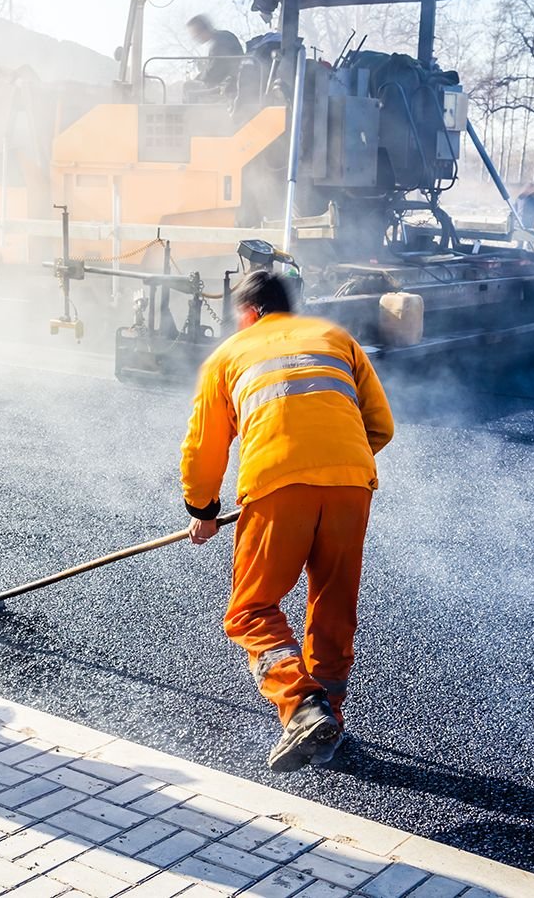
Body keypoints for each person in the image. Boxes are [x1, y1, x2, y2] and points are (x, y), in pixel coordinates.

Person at [180, 271, 394, 772]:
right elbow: (380, 425)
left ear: (250, 312)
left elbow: (202, 449)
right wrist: (337, 466)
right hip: (351, 485)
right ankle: (329, 723)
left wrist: (204, 511)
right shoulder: (335, 338)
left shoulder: (228, 355)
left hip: (277, 486)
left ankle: (300, 704)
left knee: (251, 611)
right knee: (332, 606)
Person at [185, 14, 243, 98]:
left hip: (228, 84)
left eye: (196, 35)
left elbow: (215, 71)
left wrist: (199, 80)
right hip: (228, 81)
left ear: (203, 30)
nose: (195, 38)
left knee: (188, 86)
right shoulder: (221, 38)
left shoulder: (221, 42)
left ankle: (190, 111)